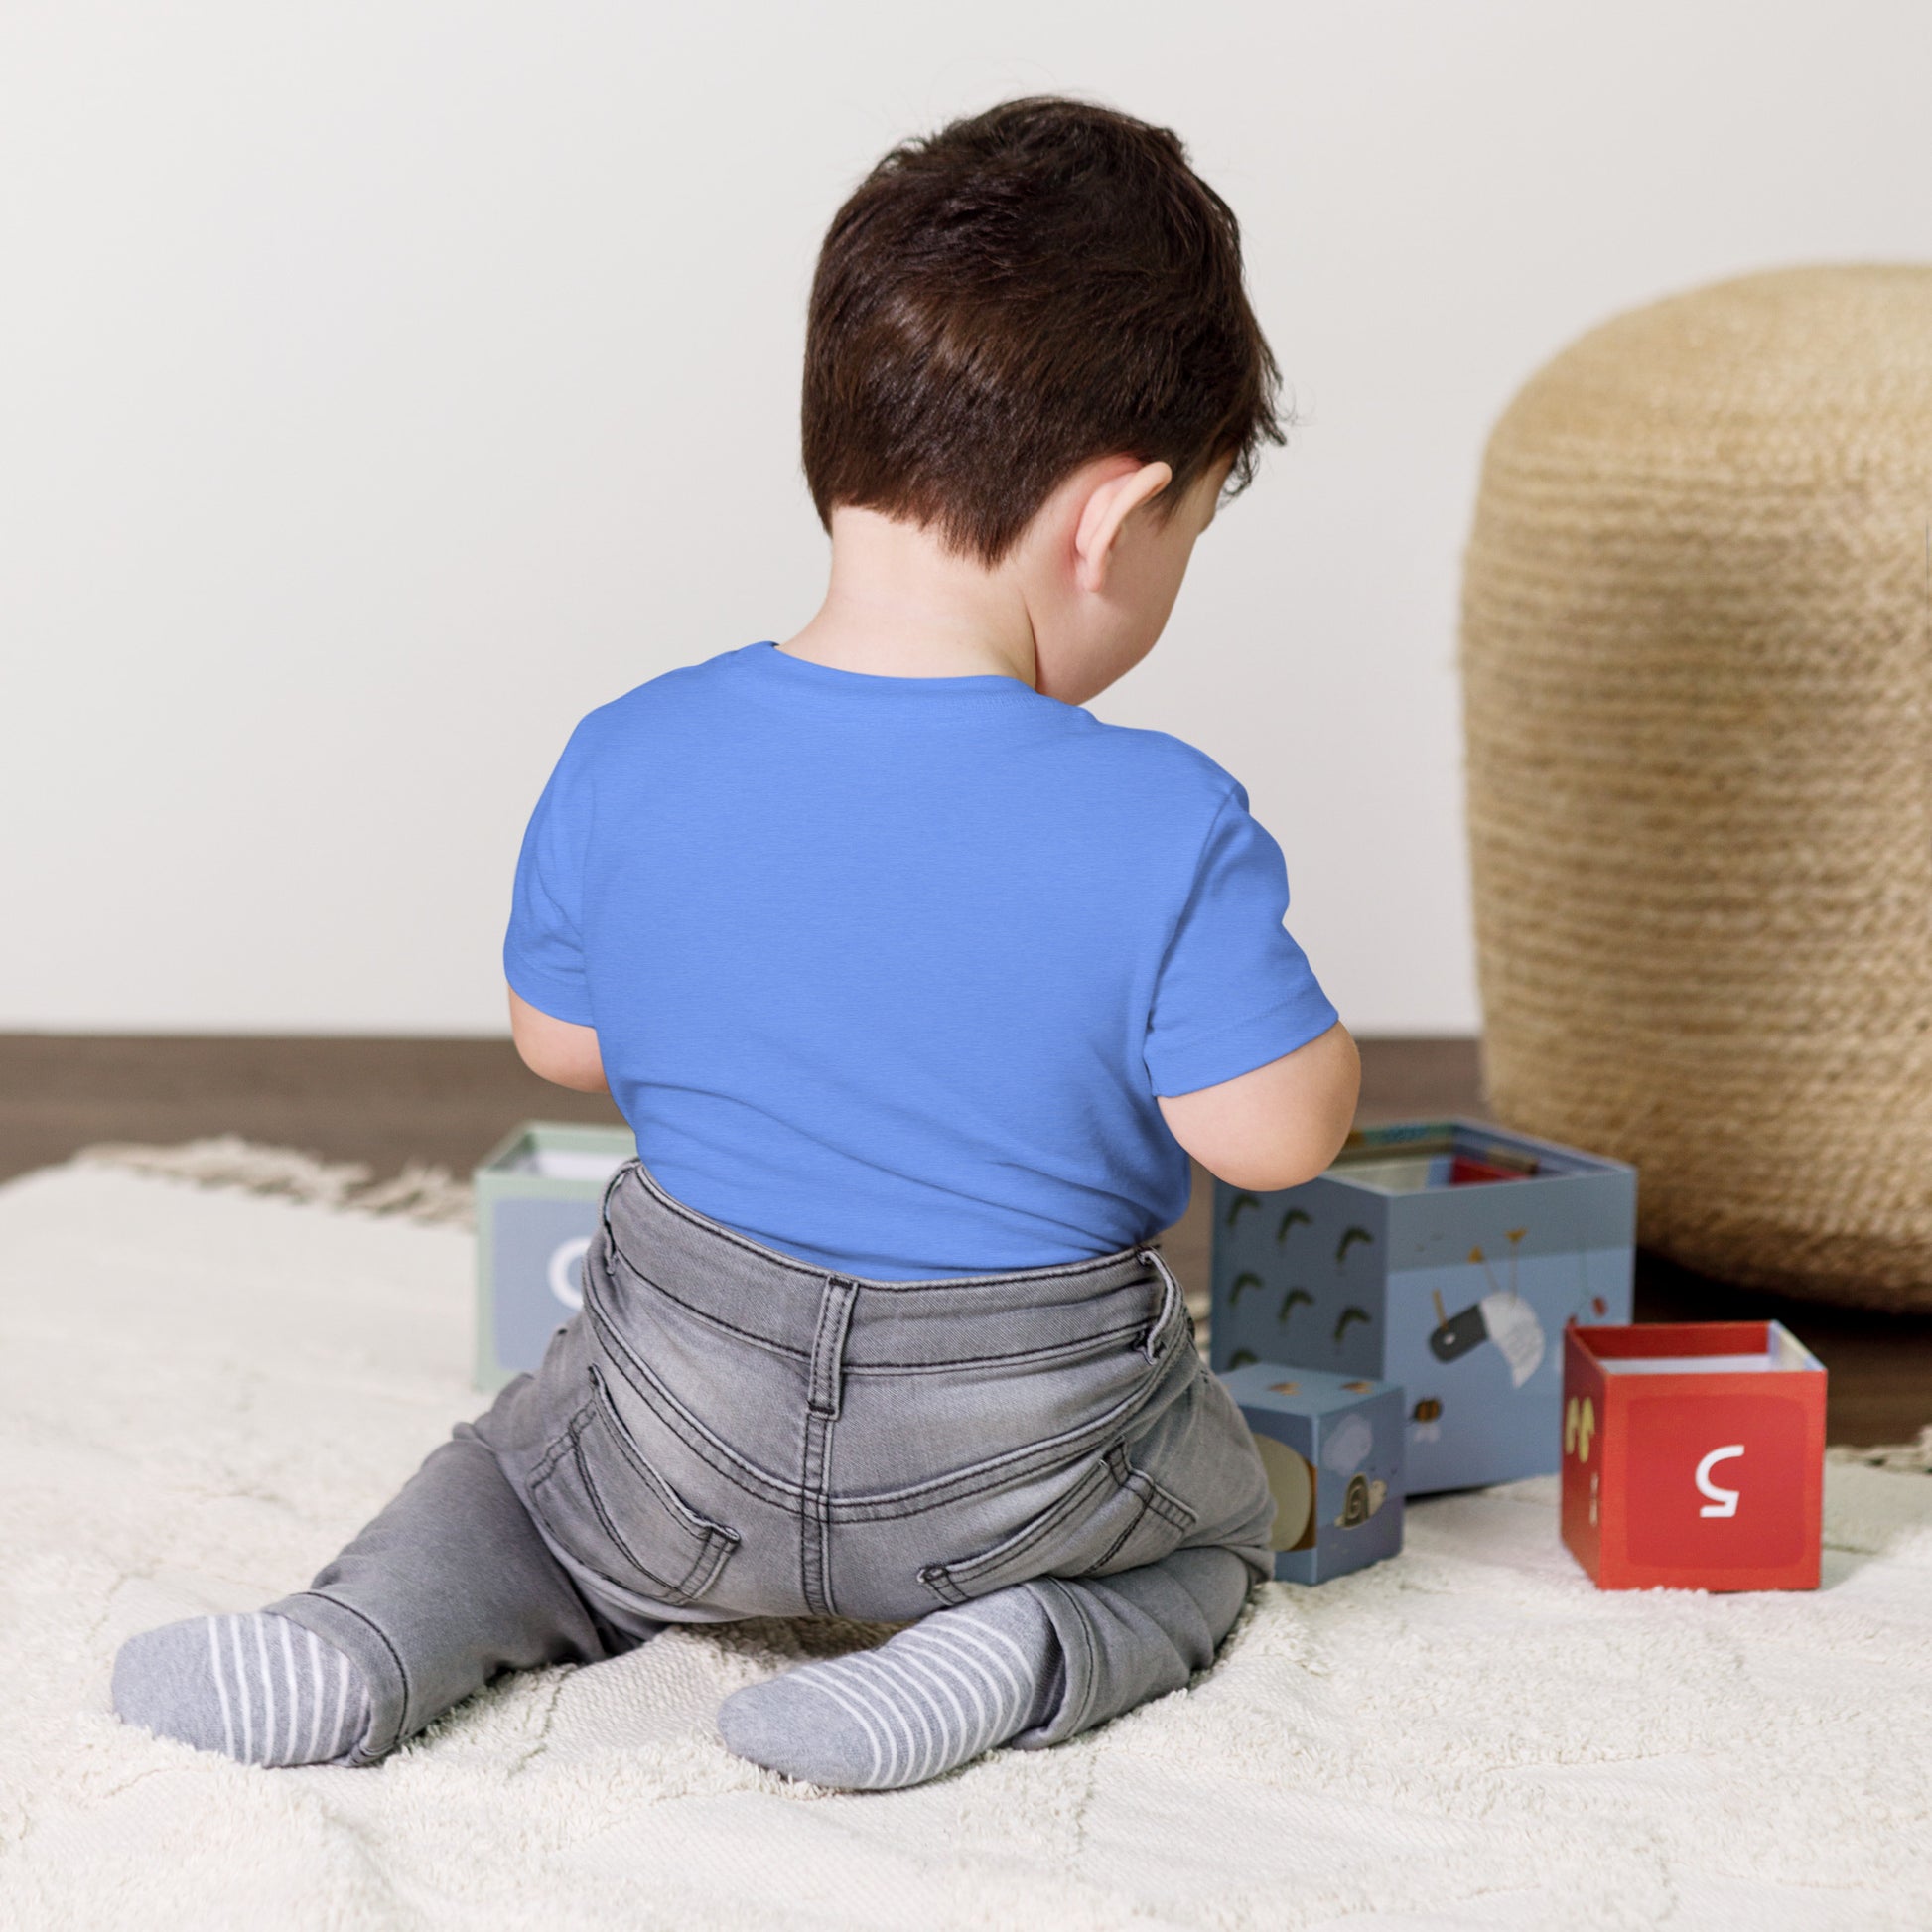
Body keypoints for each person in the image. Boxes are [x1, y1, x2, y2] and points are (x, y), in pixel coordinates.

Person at [111, 95, 1360, 1791]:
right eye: (1191, 536)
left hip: (672, 1429)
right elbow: (1275, 1134)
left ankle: (365, 1638)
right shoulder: (1162, 815)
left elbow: (558, 1042)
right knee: (1213, 1529)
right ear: (1113, 520)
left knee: (511, 1480)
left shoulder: (631, 747)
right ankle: (1017, 1642)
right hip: (1013, 1463)